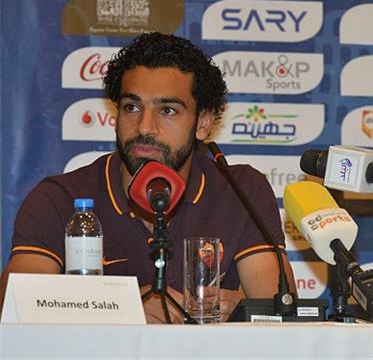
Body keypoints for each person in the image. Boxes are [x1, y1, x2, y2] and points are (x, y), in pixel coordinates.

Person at [0, 32, 295, 323]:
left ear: (203, 123)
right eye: (132, 107)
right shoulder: (61, 198)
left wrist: (240, 310)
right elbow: (13, 305)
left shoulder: (239, 190)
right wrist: (123, 308)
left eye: (167, 110)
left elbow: (282, 310)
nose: (144, 127)